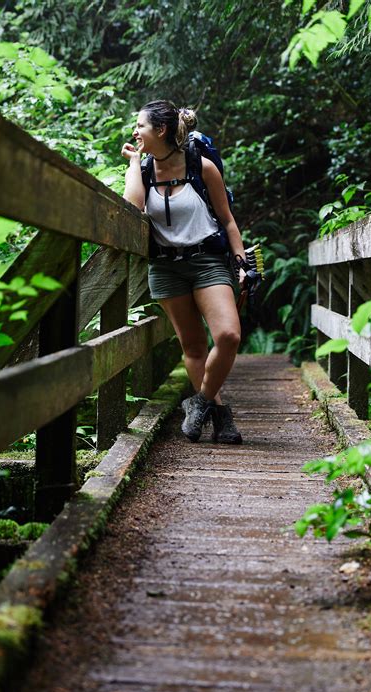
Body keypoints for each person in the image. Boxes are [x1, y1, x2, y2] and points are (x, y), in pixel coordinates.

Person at [121, 99, 246, 444]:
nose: (135, 131)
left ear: (160, 130)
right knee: (193, 347)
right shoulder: (145, 171)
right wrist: (134, 163)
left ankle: (201, 402)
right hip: (166, 268)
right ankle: (221, 418)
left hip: (207, 262)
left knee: (228, 336)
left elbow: (228, 221)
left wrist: (241, 264)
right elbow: (132, 209)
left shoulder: (202, 167)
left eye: (140, 126)